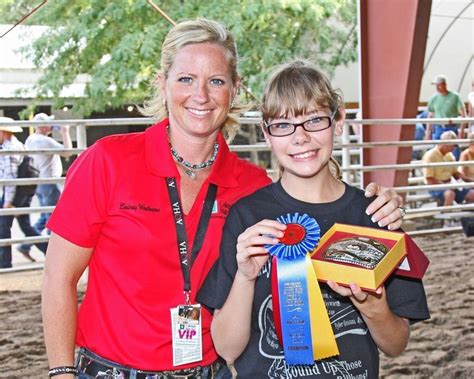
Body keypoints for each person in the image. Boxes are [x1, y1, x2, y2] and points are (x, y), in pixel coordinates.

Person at [42, 19, 405, 379]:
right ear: (162, 83)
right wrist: (61, 373)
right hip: (111, 370)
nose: (201, 96)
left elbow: (314, 196)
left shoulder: (251, 186)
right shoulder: (107, 161)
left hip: (210, 371)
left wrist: (378, 200)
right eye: (186, 79)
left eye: (216, 81)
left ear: (234, 89)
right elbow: (59, 277)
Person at [198, 60, 429, 378]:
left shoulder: (374, 214)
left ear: (338, 122)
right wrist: (245, 277)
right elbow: (226, 348)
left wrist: (375, 309)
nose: (300, 137)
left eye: (314, 121)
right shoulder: (247, 217)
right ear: (267, 135)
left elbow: (396, 344)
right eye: (282, 125)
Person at [17, 112, 72, 259]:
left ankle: (26, 245)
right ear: (42, 126)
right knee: (55, 218)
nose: (51, 125)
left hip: (40, 182)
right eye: (48, 123)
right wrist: (65, 132)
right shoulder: (44, 141)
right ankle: (54, 253)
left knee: (45, 216)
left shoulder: (30, 139)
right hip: (49, 182)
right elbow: (67, 152)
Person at [0, 117, 47, 268]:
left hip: (14, 193)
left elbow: (10, 176)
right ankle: (49, 251)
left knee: (3, 226)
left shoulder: (9, 149)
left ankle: (5, 262)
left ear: (4, 132)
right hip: (23, 192)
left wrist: (8, 201)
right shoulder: (18, 145)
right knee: (26, 226)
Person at [422, 130, 474, 206]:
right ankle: (446, 214)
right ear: (445, 144)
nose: (454, 148)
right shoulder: (430, 156)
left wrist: (469, 181)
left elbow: (455, 174)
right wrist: (446, 186)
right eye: (453, 146)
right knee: (450, 194)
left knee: (472, 194)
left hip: (449, 184)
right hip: (435, 186)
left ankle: (467, 214)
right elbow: (429, 179)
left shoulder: (449, 155)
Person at [426, 75, 466, 159]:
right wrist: (428, 131)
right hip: (438, 128)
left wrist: (461, 131)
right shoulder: (434, 98)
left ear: (444, 84)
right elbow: (430, 115)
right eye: (436, 85)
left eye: (439, 85)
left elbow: (463, 114)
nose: (437, 87)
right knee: (436, 152)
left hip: (451, 127)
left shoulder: (455, 97)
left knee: (453, 151)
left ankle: (454, 167)